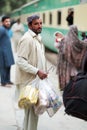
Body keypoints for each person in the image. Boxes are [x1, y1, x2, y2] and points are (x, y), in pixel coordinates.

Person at [15, 15, 48, 130]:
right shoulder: (27, 39)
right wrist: (37, 71)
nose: (40, 26)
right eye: (36, 24)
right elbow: (20, 61)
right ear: (29, 25)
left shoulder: (37, 38)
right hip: (29, 82)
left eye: (40, 23)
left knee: (31, 113)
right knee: (32, 113)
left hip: (36, 81)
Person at [57, 25, 87, 91]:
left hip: (62, 66)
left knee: (65, 83)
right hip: (71, 68)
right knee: (71, 83)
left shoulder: (63, 40)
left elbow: (57, 46)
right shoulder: (76, 41)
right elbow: (84, 45)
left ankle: (65, 93)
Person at [0, 16, 15, 86]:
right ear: (2, 22)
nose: (8, 23)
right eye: (6, 21)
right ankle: (3, 82)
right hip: (3, 51)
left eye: (9, 21)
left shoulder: (6, 29)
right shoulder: (2, 29)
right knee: (3, 66)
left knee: (8, 65)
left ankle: (8, 80)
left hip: (7, 50)